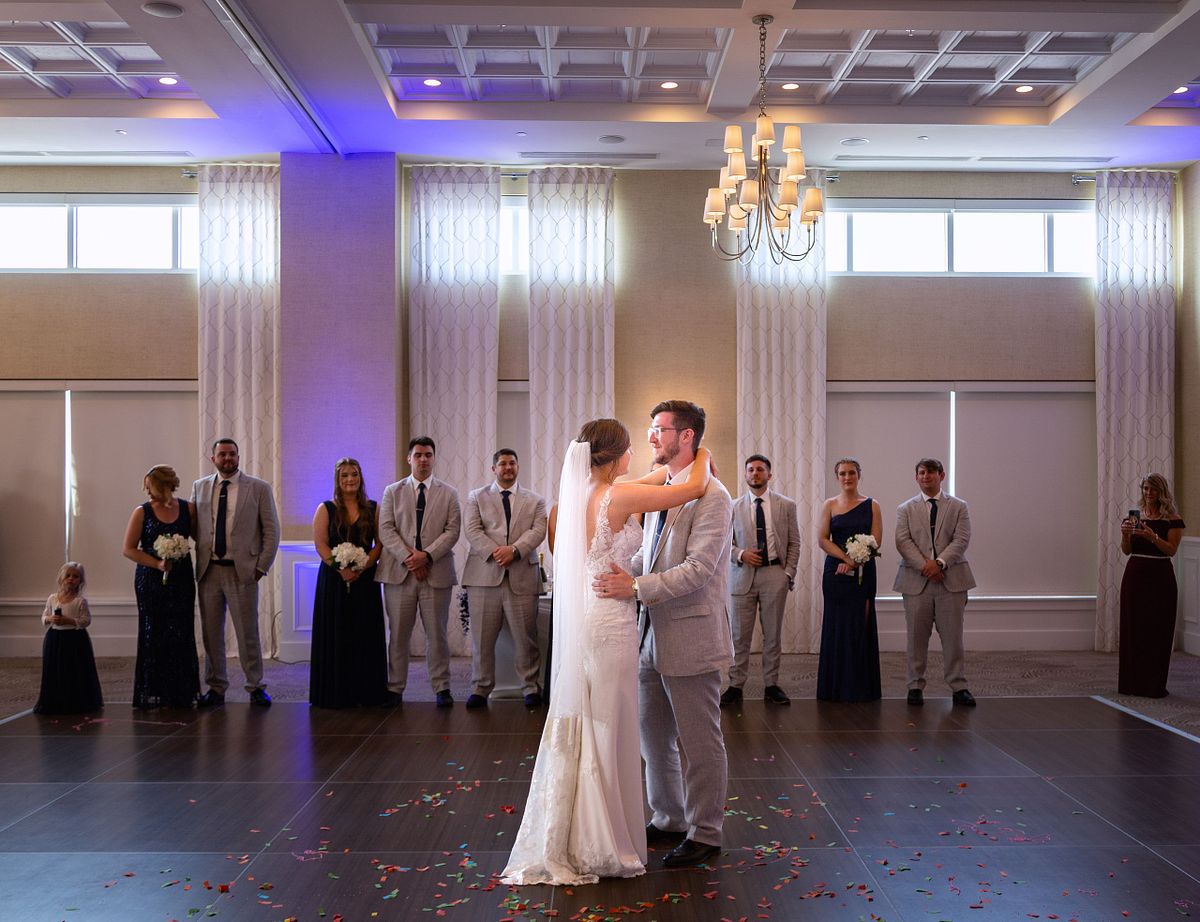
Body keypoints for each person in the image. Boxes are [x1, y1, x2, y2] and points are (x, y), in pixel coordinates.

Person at [501, 417, 713, 886]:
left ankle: (580, 831)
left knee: (591, 720)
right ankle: (602, 838)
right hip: (611, 622)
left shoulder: (572, 501)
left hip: (585, 618)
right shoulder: (618, 497)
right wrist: (699, 450)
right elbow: (692, 486)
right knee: (611, 724)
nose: (638, 455)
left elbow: (656, 479)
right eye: (632, 448)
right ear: (617, 455)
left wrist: (669, 463)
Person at [593, 399, 733, 870]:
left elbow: (698, 570)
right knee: (653, 737)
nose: (652, 436)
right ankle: (669, 816)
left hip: (693, 637)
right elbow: (650, 558)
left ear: (686, 436)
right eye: (652, 429)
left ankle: (706, 833)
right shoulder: (667, 489)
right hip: (649, 634)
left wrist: (633, 587)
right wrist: (621, 573)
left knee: (699, 742)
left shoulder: (714, 496)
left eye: (659, 429)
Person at [191, 437, 281, 708]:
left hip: (243, 572)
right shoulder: (200, 487)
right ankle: (216, 687)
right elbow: (194, 526)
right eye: (222, 455)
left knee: (247, 632)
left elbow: (271, 531)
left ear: (238, 457)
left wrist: (261, 567)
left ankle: (255, 686)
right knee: (211, 634)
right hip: (209, 572)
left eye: (232, 454)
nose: (227, 459)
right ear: (213, 459)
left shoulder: (258, 488)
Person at [377, 437, 461, 707]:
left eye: (428, 455)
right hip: (398, 575)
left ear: (434, 458)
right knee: (399, 634)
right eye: (418, 455)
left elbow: (452, 530)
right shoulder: (393, 491)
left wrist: (426, 557)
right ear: (409, 459)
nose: (423, 459)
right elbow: (386, 529)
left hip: (436, 574)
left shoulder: (448, 493)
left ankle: (442, 687)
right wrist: (410, 558)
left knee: (436, 635)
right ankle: (394, 687)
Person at [462, 449, 548, 709]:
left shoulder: (535, 501)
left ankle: (530, 688)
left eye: (512, 463)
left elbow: (538, 530)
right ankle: (480, 687)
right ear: (493, 469)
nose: (508, 467)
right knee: (483, 639)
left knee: (526, 638)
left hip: (522, 575)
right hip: (484, 576)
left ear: (518, 466)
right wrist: (495, 552)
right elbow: (472, 530)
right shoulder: (476, 497)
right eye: (502, 464)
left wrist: (515, 551)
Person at [894, 458, 977, 707]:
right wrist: (926, 567)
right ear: (916, 477)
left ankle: (958, 686)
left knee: (953, 638)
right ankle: (915, 686)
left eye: (931, 473)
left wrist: (939, 563)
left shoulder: (959, 506)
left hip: (951, 581)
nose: (926, 477)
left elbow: (961, 540)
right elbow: (903, 542)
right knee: (916, 638)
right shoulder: (905, 509)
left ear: (942, 475)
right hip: (915, 582)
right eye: (921, 473)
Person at [309, 458, 388, 708]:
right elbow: (320, 543)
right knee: (337, 632)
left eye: (354, 474)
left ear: (361, 477)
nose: (350, 479)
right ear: (337, 480)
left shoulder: (373, 508)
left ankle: (366, 693)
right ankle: (336, 693)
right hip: (334, 580)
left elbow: (380, 543)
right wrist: (340, 568)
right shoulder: (325, 508)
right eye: (344, 476)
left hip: (365, 582)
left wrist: (363, 566)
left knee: (364, 632)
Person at [722, 454, 801, 707]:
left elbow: (794, 542)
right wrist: (741, 554)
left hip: (774, 575)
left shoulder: (785, 505)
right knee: (739, 637)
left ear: (769, 474)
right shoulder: (732, 507)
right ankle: (735, 686)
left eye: (760, 470)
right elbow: (724, 544)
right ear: (745, 475)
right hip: (741, 577)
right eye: (751, 470)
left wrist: (787, 573)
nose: (755, 474)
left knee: (772, 635)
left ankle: (771, 685)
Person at [122, 464, 201, 709]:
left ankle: (180, 691)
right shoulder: (142, 512)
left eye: (149, 486)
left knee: (180, 630)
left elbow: (200, 539)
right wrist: (157, 563)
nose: (146, 491)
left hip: (181, 579)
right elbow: (129, 549)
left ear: (163, 486)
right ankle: (154, 690)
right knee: (153, 631)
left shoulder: (188, 509)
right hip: (151, 579)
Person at [816, 458, 882, 702]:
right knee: (837, 626)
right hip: (836, 572)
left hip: (864, 573)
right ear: (837, 477)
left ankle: (861, 687)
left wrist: (857, 560)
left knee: (860, 626)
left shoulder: (872, 505)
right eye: (842, 473)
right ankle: (835, 687)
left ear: (858, 475)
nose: (847, 477)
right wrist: (846, 558)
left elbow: (876, 540)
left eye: (851, 473)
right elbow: (823, 539)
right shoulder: (829, 505)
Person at [1118, 473, 1185, 698]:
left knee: (1157, 630)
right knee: (1134, 629)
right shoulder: (1135, 517)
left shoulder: (1172, 520)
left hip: (1160, 578)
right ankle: (1131, 684)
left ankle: (1153, 685)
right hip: (1135, 576)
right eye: (1146, 489)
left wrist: (1152, 536)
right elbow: (1127, 550)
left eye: (1153, 490)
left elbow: (1171, 550)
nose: (1148, 494)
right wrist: (1126, 535)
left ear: (1161, 492)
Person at [34, 562, 103, 715]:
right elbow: (44, 615)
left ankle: (75, 700)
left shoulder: (80, 601)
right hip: (55, 637)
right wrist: (50, 619)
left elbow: (86, 620)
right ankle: (55, 700)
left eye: (75, 576)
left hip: (74, 639)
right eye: (68, 576)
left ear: (81, 581)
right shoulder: (52, 599)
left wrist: (69, 621)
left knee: (73, 669)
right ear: (62, 578)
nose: (71, 579)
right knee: (55, 668)